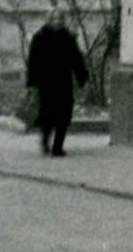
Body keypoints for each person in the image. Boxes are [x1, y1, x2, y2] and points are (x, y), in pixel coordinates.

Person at [25, 15, 91, 156]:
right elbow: (33, 62)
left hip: (63, 83)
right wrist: (32, 83)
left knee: (64, 115)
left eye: (60, 19)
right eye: (55, 19)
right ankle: (45, 141)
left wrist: (82, 77)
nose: (58, 21)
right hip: (46, 84)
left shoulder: (67, 37)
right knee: (48, 115)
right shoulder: (40, 38)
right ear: (48, 20)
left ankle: (57, 147)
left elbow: (76, 58)